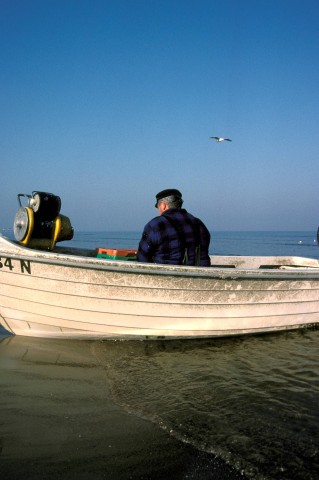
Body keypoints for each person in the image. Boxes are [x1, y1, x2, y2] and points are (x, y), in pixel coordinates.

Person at [137, 188, 211, 266]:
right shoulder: (199, 224)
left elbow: (142, 258)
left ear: (163, 205)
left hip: (164, 276)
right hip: (198, 276)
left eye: (158, 207)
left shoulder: (156, 225)